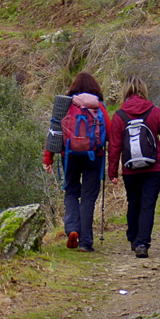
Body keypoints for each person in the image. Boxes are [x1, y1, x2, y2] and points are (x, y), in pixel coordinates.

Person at [108, 76, 160, 259]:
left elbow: (114, 147)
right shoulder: (155, 112)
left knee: (134, 202)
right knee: (148, 205)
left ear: (125, 92)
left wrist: (112, 172)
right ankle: (142, 243)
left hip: (130, 169)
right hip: (154, 168)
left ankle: (132, 237)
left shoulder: (119, 116)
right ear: (144, 90)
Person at [44, 71, 111, 253]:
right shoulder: (99, 107)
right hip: (94, 157)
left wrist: (48, 158)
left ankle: (72, 229)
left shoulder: (66, 105)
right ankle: (86, 242)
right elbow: (110, 133)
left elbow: (54, 132)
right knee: (88, 198)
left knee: (71, 192)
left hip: (70, 156)